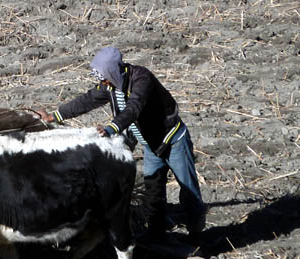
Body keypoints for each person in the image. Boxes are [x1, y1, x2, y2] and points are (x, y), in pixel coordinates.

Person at [35, 46, 206, 243]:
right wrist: (55, 116)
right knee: (153, 189)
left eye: (105, 77)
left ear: (113, 72)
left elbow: (134, 108)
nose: (103, 82)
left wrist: (111, 129)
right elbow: (87, 100)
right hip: (151, 145)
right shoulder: (111, 86)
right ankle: (157, 233)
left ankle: (197, 236)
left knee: (188, 189)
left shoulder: (142, 79)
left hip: (172, 140)